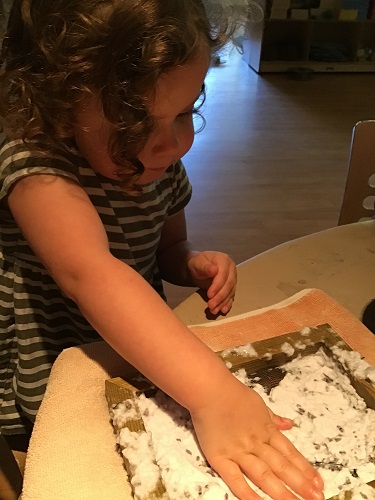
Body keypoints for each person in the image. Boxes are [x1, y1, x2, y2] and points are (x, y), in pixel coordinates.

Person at [0, 1, 324, 499]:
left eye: (186, 112)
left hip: (144, 361)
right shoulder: (36, 167)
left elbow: (167, 244)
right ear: (59, 103)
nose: (171, 144)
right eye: (134, 123)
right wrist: (214, 394)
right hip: (53, 372)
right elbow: (93, 274)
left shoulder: (158, 164)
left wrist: (190, 261)